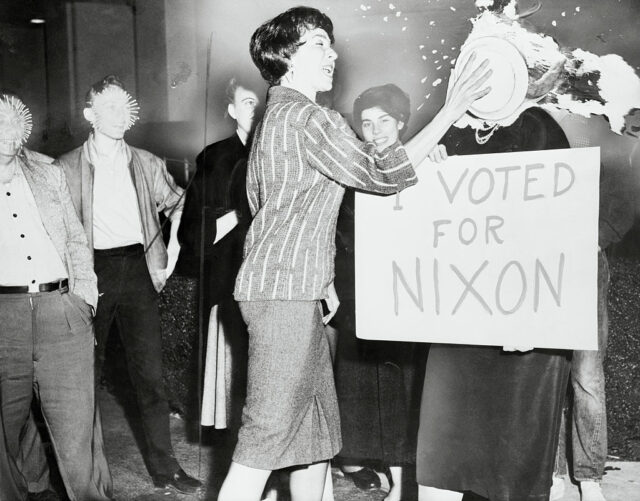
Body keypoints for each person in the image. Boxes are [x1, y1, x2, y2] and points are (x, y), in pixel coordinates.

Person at [216, 6, 491, 501]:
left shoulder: (276, 119)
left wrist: (320, 277)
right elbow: (382, 172)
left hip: (294, 292)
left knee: (314, 440)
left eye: (331, 43)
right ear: (288, 58)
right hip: (284, 298)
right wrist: (450, 111)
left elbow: (273, 207)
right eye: (319, 43)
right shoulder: (309, 117)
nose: (332, 53)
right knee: (263, 441)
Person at [416, 107, 573, 501]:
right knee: (443, 457)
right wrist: (429, 167)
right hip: (460, 314)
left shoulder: (537, 126)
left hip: (521, 320)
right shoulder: (448, 127)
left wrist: (532, 316)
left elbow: (559, 219)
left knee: (512, 460)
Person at [55, 75, 201, 495]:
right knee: (85, 378)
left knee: (150, 377)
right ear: (90, 115)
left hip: (137, 268)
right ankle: (84, 477)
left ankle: (165, 468)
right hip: (91, 271)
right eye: (112, 107)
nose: (123, 116)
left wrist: (170, 251)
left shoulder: (145, 161)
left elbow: (181, 202)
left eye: (127, 107)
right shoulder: (66, 168)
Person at [0, 93, 113, 500]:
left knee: (77, 436)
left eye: (13, 122)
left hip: (62, 313)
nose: (6, 132)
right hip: (3, 319)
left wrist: (84, 300)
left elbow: (77, 241)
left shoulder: (48, 173)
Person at [333, 84, 426, 501]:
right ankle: (388, 474)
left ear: (402, 121)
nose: (374, 131)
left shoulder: (426, 162)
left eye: (383, 121)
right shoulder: (353, 169)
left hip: (413, 295)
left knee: (408, 389)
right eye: (366, 123)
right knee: (371, 395)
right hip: (363, 298)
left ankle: (408, 484)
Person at [550, 112, 636, 501]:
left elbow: (623, 199)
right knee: (545, 370)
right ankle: (548, 471)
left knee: (586, 371)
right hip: (540, 261)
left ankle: (588, 475)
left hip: (585, 260)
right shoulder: (544, 125)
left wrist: (595, 239)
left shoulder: (610, 135)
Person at [178, 76, 259, 429]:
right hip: (229, 281)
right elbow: (191, 231)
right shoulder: (215, 157)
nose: (256, 112)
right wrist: (234, 219)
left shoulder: (281, 150)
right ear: (231, 111)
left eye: (261, 103)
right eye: (247, 103)